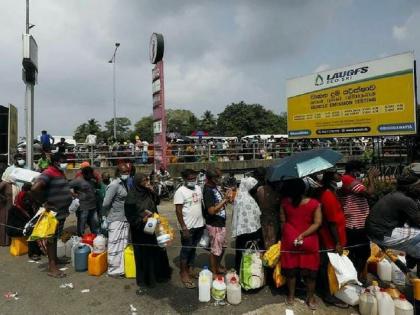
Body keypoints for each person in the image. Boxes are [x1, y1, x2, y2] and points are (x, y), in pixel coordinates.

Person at [125, 173, 171, 294]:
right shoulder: (131, 196)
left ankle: (160, 275)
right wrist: (142, 220)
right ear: (137, 182)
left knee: (158, 251)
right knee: (144, 255)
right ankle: (146, 280)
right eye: (144, 181)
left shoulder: (148, 191)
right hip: (140, 230)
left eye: (148, 180)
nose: (147, 182)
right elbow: (130, 216)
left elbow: (157, 202)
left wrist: (153, 191)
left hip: (153, 226)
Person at [280, 178, 322, 310]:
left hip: (290, 240)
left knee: (291, 272)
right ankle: (310, 299)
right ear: (305, 189)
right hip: (309, 240)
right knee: (310, 273)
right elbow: (317, 223)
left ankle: (291, 297)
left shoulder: (284, 202)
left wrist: (290, 235)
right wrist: (303, 235)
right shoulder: (315, 203)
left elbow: (282, 222)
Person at [31, 153, 72, 278]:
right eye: (63, 161)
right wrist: (44, 202)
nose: (65, 163)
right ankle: (52, 267)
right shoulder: (48, 173)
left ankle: (55, 259)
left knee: (55, 237)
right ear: (55, 162)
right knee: (51, 238)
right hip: (53, 213)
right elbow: (34, 188)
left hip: (62, 212)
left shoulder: (59, 172)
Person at [339, 160, 379, 281]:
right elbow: (369, 193)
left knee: (357, 253)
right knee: (361, 253)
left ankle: (356, 277)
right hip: (356, 224)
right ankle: (356, 278)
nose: (362, 173)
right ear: (353, 171)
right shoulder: (348, 179)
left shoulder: (348, 180)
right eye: (360, 171)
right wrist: (371, 178)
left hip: (355, 223)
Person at [366, 175, 420, 260]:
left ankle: (412, 259)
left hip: (373, 232)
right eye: (418, 186)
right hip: (381, 235)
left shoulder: (394, 194)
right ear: (410, 188)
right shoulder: (406, 200)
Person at [316, 170, 348, 308]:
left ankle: (328, 290)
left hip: (332, 236)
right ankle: (328, 295)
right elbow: (332, 222)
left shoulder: (329, 193)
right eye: (337, 177)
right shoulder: (327, 196)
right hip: (330, 239)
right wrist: (337, 242)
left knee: (327, 266)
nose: (340, 178)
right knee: (327, 267)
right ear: (331, 180)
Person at [174, 169, 204, 289]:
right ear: (185, 179)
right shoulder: (180, 191)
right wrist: (184, 227)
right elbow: (178, 210)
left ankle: (190, 269)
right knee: (186, 250)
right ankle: (183, 272)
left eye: (194, 178)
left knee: (193, 248)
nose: (193, 180)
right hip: (188, 227)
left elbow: (200, 205)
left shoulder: (198, 188)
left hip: (199, 225)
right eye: (190, 179)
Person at [203, 168, 232, 276]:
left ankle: (217, 266)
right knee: (215, 250)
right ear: (210, 179)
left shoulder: (215, 187)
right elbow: (211, 211)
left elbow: (219, 204)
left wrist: (226, 199)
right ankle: (214, 272)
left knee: (222, 247)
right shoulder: (208, 191)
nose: (219, 179)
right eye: (217, 177)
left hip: (221, 222)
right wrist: (224, 199)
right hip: (214, 224)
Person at [102, 163, 130, 277]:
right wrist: (106, 216)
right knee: (114, 244)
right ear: (118, 173)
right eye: (123, 172)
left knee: (123, 243)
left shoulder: (124, 184)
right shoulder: (114, 185)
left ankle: (121, 268)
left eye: (127, 172)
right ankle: (113, 270)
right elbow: (105, 203)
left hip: (124, 218)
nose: (126, 174)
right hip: (115, 219)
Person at [232, 176, 262, 271]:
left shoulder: (242, 196)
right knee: (247, 252)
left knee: (244, 252)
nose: (256, 189)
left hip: (244, 229)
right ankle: (246, 272)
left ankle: (242, 271)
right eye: (254, 187)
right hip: (248, 231)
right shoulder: (246, 199)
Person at [6, 183, 43, 260]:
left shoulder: (29, 201)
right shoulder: (15, 208)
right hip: (14, 228)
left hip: (24, 225)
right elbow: (15, 223)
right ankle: (33, 253)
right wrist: (28, 225)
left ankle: (41, 249)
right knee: (31, 230)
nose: (28, 201)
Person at [0, 154, 26, 246]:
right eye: (19, 159)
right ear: (14, 160)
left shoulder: (25, 168)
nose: (21, 160)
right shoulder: (8, 172)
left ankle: (16, 241)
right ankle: (6, 241)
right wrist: (3, 198)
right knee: (6, 221)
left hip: (20, 199)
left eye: (22, 158)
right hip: (8, 203)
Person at [70, 166, 99, 236]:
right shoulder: (78, 180)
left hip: (93, 206)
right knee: (82, 223)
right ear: (84, 174)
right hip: (83, 207)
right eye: (89, 174)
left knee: (94, 223)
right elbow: (66, 186)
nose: (90, 176)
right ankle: (80, 237)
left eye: (91, 174)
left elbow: (98, 185)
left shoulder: (92, 180)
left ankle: (95, 237)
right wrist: (73, 195)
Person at [256, 180, 281, 249]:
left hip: (263, 215)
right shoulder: (275, 191)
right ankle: (271, 252)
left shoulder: (259, 189)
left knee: (265, 234)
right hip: (272, 216)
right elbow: (276, 203)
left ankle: (266, 250)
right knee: (272, 235)